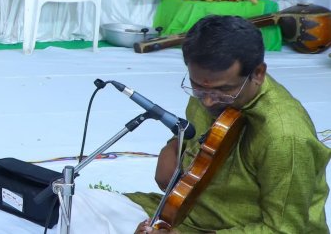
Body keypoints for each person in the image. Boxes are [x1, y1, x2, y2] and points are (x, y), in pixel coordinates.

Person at [128, 15, 330, 233]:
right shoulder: (210, 86)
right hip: (187, 214)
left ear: (258, 73)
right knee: (91, 209)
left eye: (224, 91)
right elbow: (192, 138)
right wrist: (173, 147)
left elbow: (284, 229)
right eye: (197, 87)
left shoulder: (285, 137)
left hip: (236, 228)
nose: (207, 100)